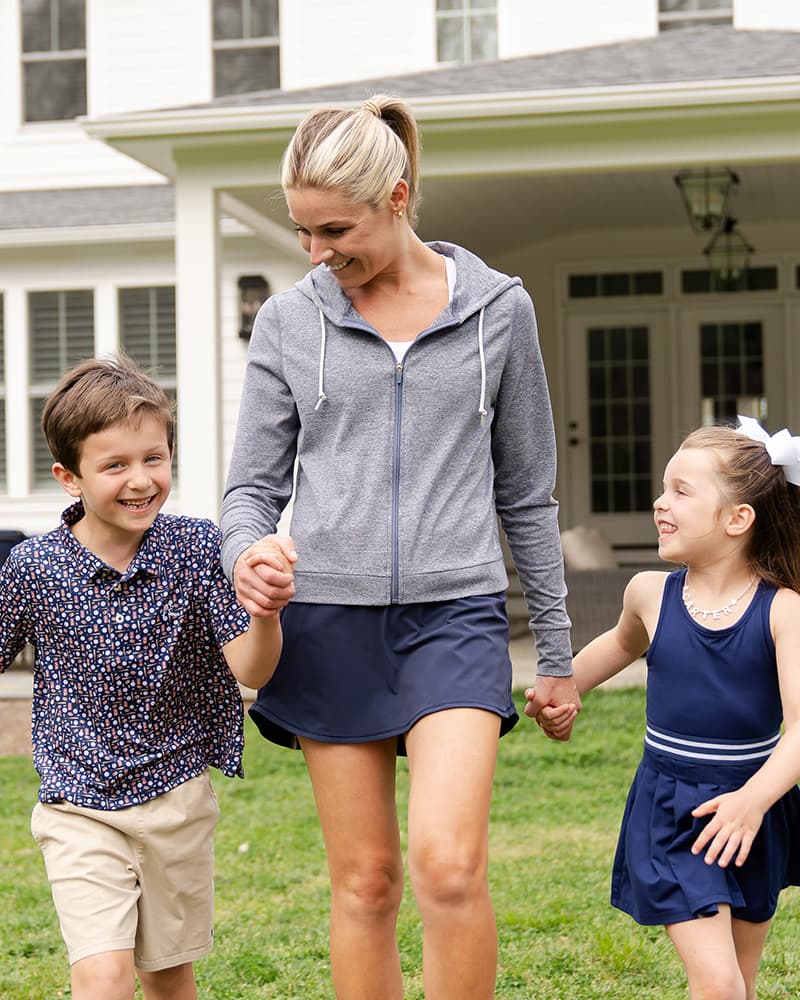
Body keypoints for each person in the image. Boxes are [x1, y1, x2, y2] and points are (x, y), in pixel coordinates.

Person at [220, 93, 579, 999]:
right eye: (301, 232)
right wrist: (245, 555)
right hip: (328, 619)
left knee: (448, 866)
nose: (316, 254)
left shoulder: (500, 311)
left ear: (399, 195)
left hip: (453, 614)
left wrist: (561, 655)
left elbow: (527, 491)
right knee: (367, 883)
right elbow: (250, 489)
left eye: (334, 229)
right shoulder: (291, 322)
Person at [0, 355, 296, 1000]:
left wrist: (266, 614)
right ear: (68, 477)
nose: (140, 480)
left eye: (153, 458)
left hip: (176, 800)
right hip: (77, 802)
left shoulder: (195, 548)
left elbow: (251, 669)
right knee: (102, 976)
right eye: (114, 465)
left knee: (166, 975)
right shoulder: (33, 565)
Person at [537, 417, 800, 1000]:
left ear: (738, 519)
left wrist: (754, 802)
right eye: (663, 487)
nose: (661, 502)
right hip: (674, 809)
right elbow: (618, 645)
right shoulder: (649, 594)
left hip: (755, 808)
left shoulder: (784, 612)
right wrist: (562, 686)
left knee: (741, 981)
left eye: (682, 491)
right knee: (718, 984)